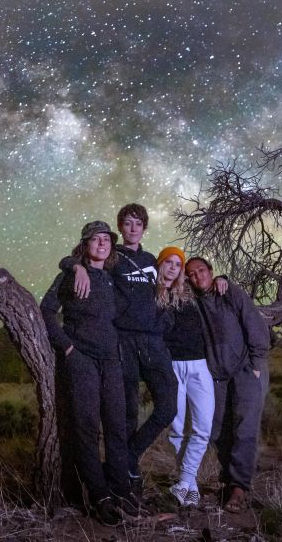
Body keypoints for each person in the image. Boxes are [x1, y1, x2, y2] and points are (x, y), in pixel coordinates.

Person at [60, 204, 177, 496]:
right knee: (126, 414)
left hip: (153, 341)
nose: (133, 228)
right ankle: (123, 479)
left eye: (138, 223)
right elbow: (75, 259)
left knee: (167, 407)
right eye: (127, 223)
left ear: (144, 227)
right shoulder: (113, 257)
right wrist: (75, 267)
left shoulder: (151, 260)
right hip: (123, 341)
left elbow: (173, 280)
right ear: (120, 228)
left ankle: (128, 458)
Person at [40, 221, 134, 526]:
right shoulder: (70, 274)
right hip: (82, 359)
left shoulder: (110, 278)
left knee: (117, 427)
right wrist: (66, 347)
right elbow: (46, 309)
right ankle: (100, 497)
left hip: (112, 361)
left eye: (107, 239)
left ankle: (122, 492)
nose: (103, 243)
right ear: (85, 244)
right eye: (96, 239)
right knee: (87, 428)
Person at [184, 256, 271, 513]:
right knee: (216, 429)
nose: (198, 276)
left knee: (245, 427)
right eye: (192, 274)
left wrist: (256, 363)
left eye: (201, 270)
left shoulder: (230, 292)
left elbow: (254, 325)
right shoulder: (193, 303)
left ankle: (239, 487)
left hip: (247, 369)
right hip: (217, 375)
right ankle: (230, 477)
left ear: (211, 272)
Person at [155, 246, 215, 509]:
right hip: (171, 366)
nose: (172, 268)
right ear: (159, 266)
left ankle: (184, 481)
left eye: (177, 264)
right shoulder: (151, 294)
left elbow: (210, 281)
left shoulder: (189, 293)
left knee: (203, 427)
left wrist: (222, 280)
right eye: (167, 262)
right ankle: (188, 486)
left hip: (199, 365)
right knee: (177, 428)